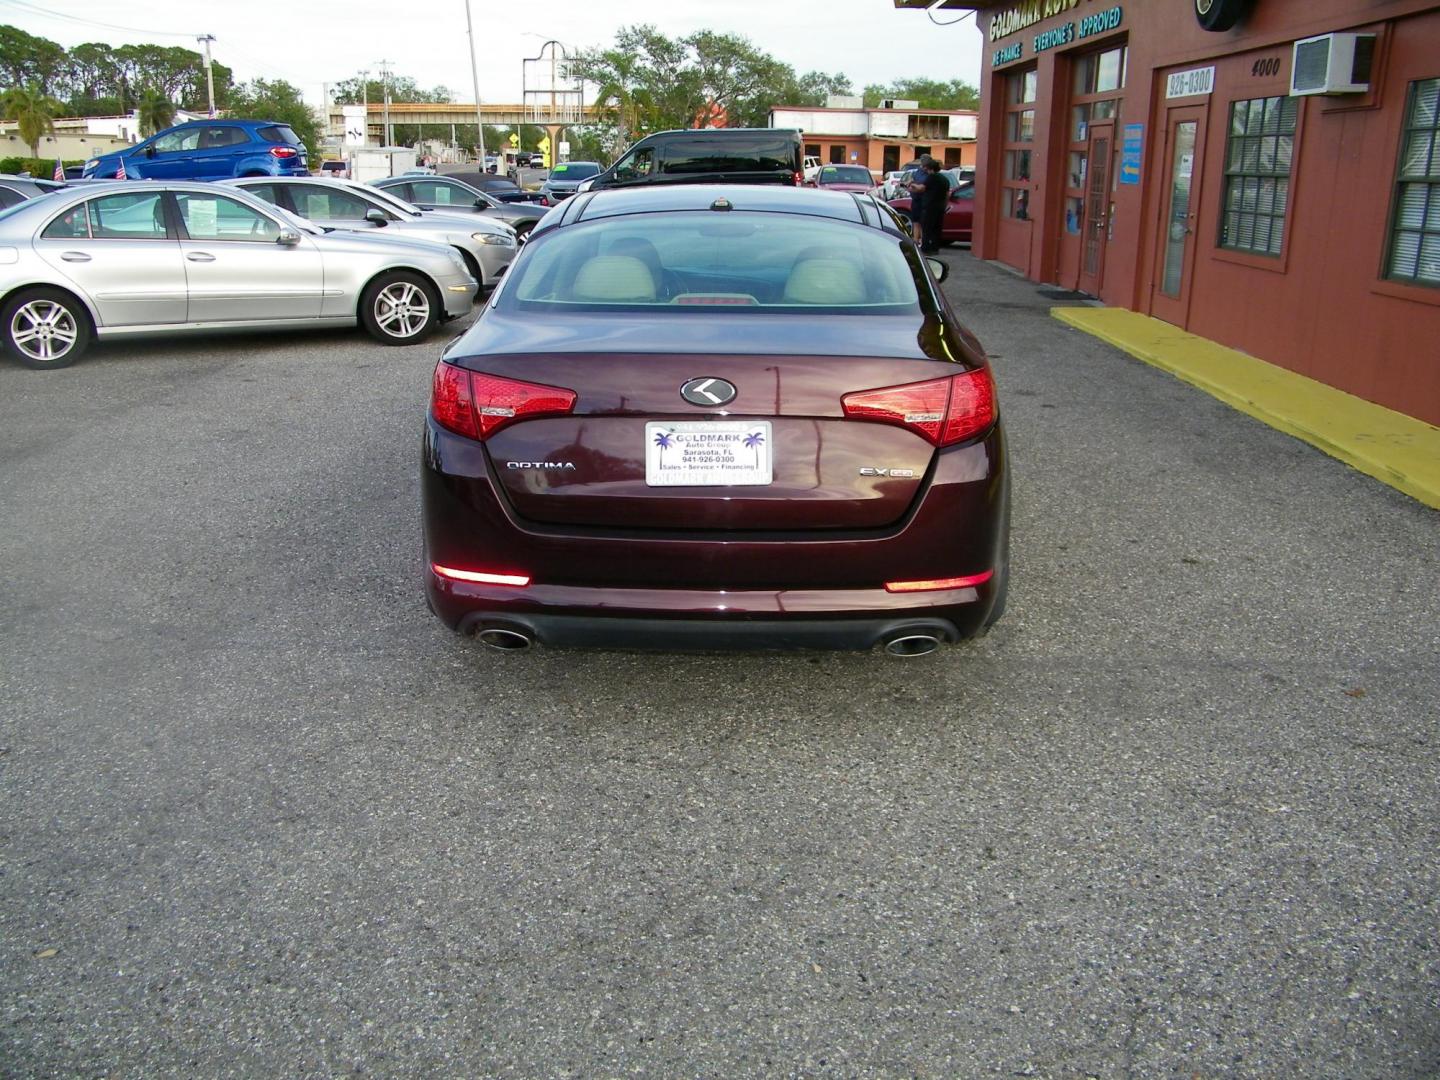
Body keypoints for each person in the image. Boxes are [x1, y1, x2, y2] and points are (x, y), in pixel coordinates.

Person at [915, 159, 949, 254]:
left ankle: (925, 248)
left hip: (929, 207)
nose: (924, 169)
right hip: (940, 207)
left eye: (926, 167)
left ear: (930, 168)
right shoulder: (945, 179)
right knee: (937, 228)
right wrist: (945, 205)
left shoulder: (931, 177)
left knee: (926, 228)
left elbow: (922, 188)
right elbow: (947, 194)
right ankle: (935, 248)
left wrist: (913, 186)